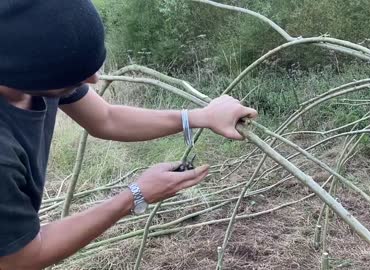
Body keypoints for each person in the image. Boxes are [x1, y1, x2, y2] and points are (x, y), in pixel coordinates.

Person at [0, 1, 257, 269]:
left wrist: (199, 117)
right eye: (76, 74)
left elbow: (106, 119)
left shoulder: (32, 69)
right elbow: (19, 258)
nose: (94, 79)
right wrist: (135, 195)